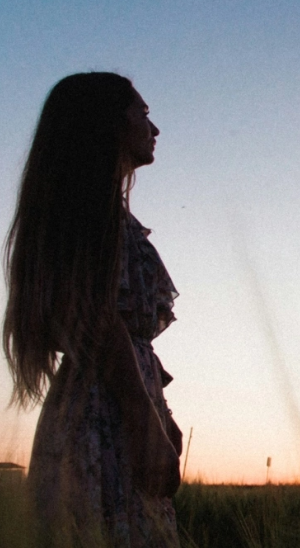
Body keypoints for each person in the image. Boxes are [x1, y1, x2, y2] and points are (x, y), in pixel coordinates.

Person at [2, 72, 182, 547]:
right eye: (143, 113)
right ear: (108, 124)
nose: (154, 128)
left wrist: (160, 410)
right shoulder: (88, 211)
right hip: (105, 416)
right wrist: (143, 418)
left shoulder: (96, 211)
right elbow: (98, 320)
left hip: (113, 403)